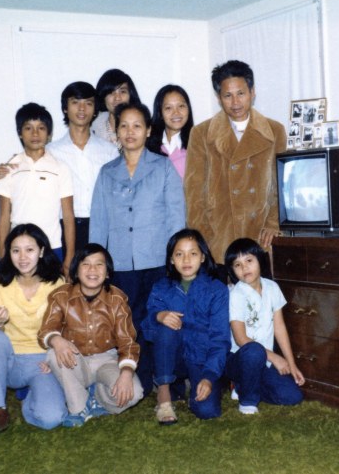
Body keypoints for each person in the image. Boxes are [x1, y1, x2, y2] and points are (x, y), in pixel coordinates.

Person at [89, 101, 185, 395]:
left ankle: (168, 380)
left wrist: (176, 260)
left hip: (157, 260)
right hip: (121, 264)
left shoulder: (163, 167)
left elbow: (176, 216)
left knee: (160, 321)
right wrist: (97, 263)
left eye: (137, 125)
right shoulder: (107, 172)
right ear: (116, 131)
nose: (130, 132)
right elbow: (99, 221)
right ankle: (140, 380)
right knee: (129, 324)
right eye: (124, 126)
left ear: (148, 131)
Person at [0, 83, 119, 256]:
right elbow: (25, 164)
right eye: (75, 102)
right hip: (65, 227)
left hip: (101, 225)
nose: (82, 109)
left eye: (88, 103)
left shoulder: (109, 151)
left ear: (95, 109)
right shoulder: (51, 151)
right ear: (65, 108)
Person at [184, 59, 287, 269]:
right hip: (220, 238)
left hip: (261, 237)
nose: (235, 102)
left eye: (241, 93)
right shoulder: (201, 134)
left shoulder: (275, 130)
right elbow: (194, 193)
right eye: (227, 95)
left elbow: (282, 184)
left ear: (252, 92)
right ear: (219, 98)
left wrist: (273, 223)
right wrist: (204, 239)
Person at [38, 243, 143, 427]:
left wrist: (126, 373)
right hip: (75, 360)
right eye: (85, 264)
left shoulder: (117, 299)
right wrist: (56, 340)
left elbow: (128, 342)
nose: (92, 270)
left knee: (134, 393)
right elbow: (46, 330)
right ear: (76, 271)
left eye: (99, 264)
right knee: (55, 353)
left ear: (108, 272)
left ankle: (96, 400)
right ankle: (78, 408)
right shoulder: (60, 296)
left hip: (107, 360)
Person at [0, 223, 67, 433]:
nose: (22, 257)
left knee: (52, 419)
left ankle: (29, 399)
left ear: (41, 251)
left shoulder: (58, 282)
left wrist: (52, 358)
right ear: (9, 253)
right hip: (10, 360)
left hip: (41, 362)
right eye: (16, 250)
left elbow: (64, 328)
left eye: (29, 250)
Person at [142, 228, 229, 424]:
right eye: (179, 254)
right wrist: (158, 315)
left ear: (203, 257)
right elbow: (146, 328)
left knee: (207, 411)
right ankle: (164, 396)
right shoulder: (161, 287)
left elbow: (220, 338)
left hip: (201, 358)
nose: (186, 260)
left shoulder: (217, 290)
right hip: (173, 357)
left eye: (193, 253)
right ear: (172, 259)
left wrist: (208, 376)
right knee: (166, 325)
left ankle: (196, 384)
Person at [224, 238, 305, 414]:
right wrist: (275, 357)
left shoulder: (272, 287)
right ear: (232, 270)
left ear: (260, 260)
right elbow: (241, 339)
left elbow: (280, 328)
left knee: (292, 397)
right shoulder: (236, 294)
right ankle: (247, 402)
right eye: (237, 265)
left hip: (264, 361)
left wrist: (292, 365)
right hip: (240, 359)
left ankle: (244, 387)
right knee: (254, 351)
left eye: (249, 261)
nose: (244, 268)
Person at [0, 103, 75, 277]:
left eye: (41, 128)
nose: (35, 134)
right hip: (19, 251)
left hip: (52, 248)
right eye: (28, 128)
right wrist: (3, 257)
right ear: (19, 133)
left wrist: (69, 257)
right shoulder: (8, 169)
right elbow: (3, 217)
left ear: (49, 134)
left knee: (53, 300)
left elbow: (68, 216)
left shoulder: (61, 168)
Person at [147, 84, 194, 178]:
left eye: (181, 106)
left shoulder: (197, 145)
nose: (176, 112)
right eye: (168, 108)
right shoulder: (147, 148)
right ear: (160, 112)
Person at [91, 69, 142, 148]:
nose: (117, 98)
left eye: (122, 91)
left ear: (130, 95)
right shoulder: (93, 129)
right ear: (103, 97)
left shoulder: (143, 126)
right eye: (111, 92)